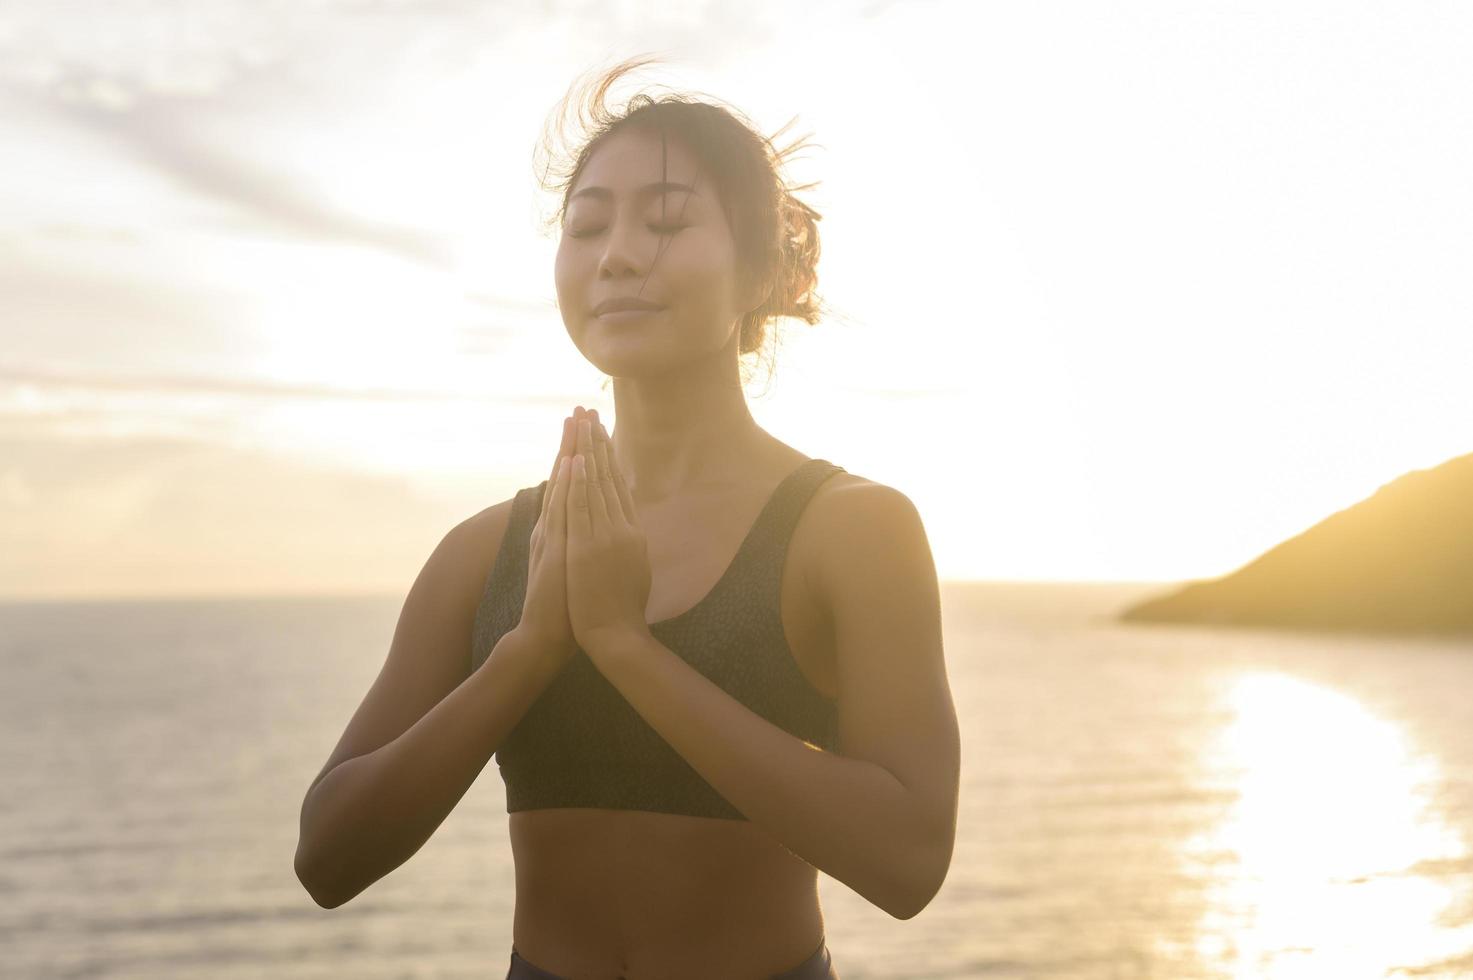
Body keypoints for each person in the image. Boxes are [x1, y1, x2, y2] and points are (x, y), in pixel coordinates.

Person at [294, 55, 960, 980]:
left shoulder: (849, 530)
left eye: (667, 220)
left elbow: (909, 861)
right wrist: (528, 649)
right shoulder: (484, 552)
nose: (615, 254)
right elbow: (327, 859)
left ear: (763, 266)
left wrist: (625, 647)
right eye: (588, 226)